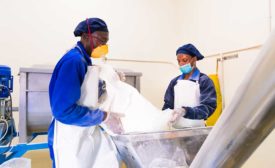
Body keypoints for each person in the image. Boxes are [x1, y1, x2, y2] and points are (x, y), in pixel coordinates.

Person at [48, 18, 123, 168]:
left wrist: (109, 80)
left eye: (106, 42)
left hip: (82, 131)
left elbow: (85, 90)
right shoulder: (74, 61)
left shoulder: (84, 60)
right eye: (101, 41)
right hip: (70, 135)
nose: (104, 47)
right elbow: (64, 111)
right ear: (86, 36)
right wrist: (104, 116)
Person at [163, 43, 217, 128]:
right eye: (179, 61)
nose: (181, 64)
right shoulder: (175, 82)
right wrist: (165, 117)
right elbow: (167, 106)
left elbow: (208, 107)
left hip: (197, 131)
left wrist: (185, 111)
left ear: (194, 59)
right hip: (176, 131)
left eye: (184, 60)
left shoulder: (204, 80)